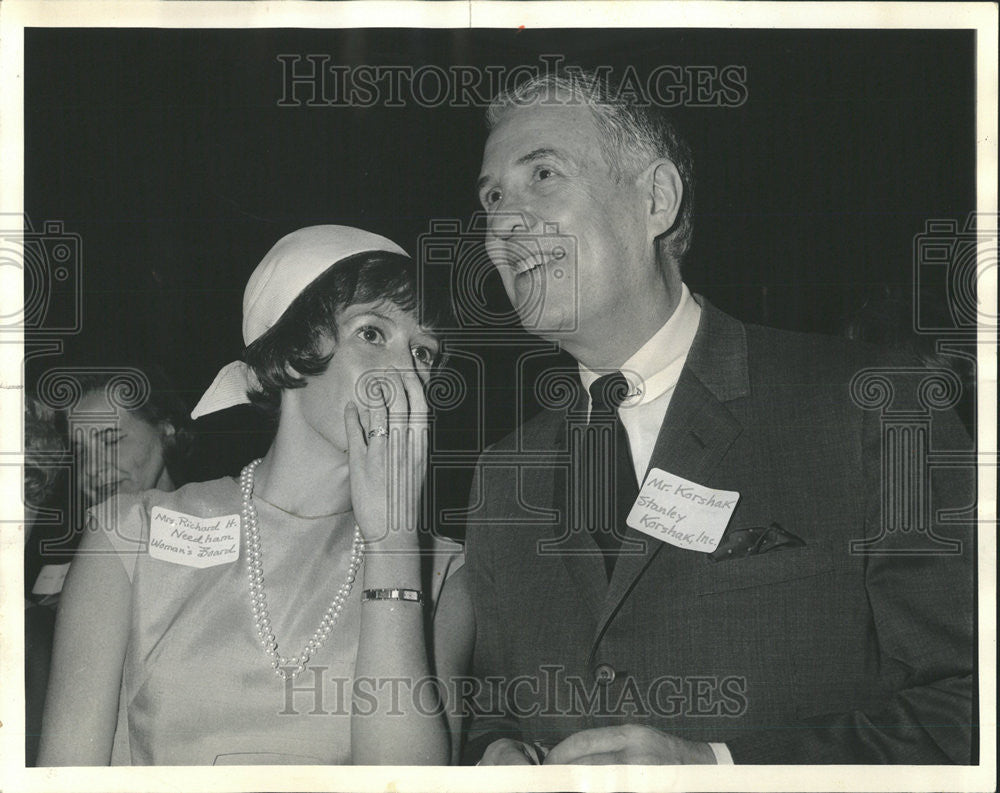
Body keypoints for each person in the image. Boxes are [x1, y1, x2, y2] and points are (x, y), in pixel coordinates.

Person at [454, 69, 975, 765]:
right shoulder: (501, 476)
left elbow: (970, 706)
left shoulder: (873, 405)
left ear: (656, 200)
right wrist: (496, 748)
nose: (504, 226)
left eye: (542, 175)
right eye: (492, 198)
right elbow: (490, 702)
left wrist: (719, 767)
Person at [39, 225, 463, 765]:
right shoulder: (128, 537)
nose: (405, 374)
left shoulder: (447, 575)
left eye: (424, 352)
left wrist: (395, 541)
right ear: (289, 357)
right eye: (372, 334)